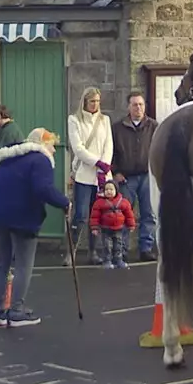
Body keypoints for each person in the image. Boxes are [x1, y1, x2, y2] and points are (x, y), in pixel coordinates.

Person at [0, 120, 69, 327]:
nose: (53, 150)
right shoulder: (40, 160)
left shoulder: (9, 159)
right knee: (23, 264)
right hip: (22, 217)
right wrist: (64, 202)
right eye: (51, 144)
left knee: (1, 264)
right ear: (43, 143)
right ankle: (16, 310)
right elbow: (43, 189)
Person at [67, 88, 114, 261]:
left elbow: (108, 144)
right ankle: (71, 252)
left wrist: (105, 165)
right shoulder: (74, 120)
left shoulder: (105, 120)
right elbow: (78, 148)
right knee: (80, 216)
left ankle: (93, 252)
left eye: (97, 101)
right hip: (84, 174)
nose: (95, 105)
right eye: (92, 101)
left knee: (98, 215)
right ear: (85, 102)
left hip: (101, 176)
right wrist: (97, 162)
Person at [111, 92, 159, 262]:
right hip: (126, 178)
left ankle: (146, 248)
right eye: (134, 105)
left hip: (148, 176)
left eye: (141, 104)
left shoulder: (153, 126)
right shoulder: (117, 128)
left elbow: (159, 151)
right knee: (123, 214)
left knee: (149, 214)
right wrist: (115, 172)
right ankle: (121, 250)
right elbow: (112, 152)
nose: (138, 108)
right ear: (128, 107)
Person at [89, 180, 136, 269]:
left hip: (119, 228)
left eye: (111, 189)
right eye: (106, 189)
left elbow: (129, 214)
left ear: (116, 190)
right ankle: (107, 261)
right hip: (105, 229)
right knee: (107, 246)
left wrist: (131, 225)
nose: (109, 191)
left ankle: (118, 260)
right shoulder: (99, 203)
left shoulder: (123, 202)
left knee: (118, 245)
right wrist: (94, 227)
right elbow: (94, 216)